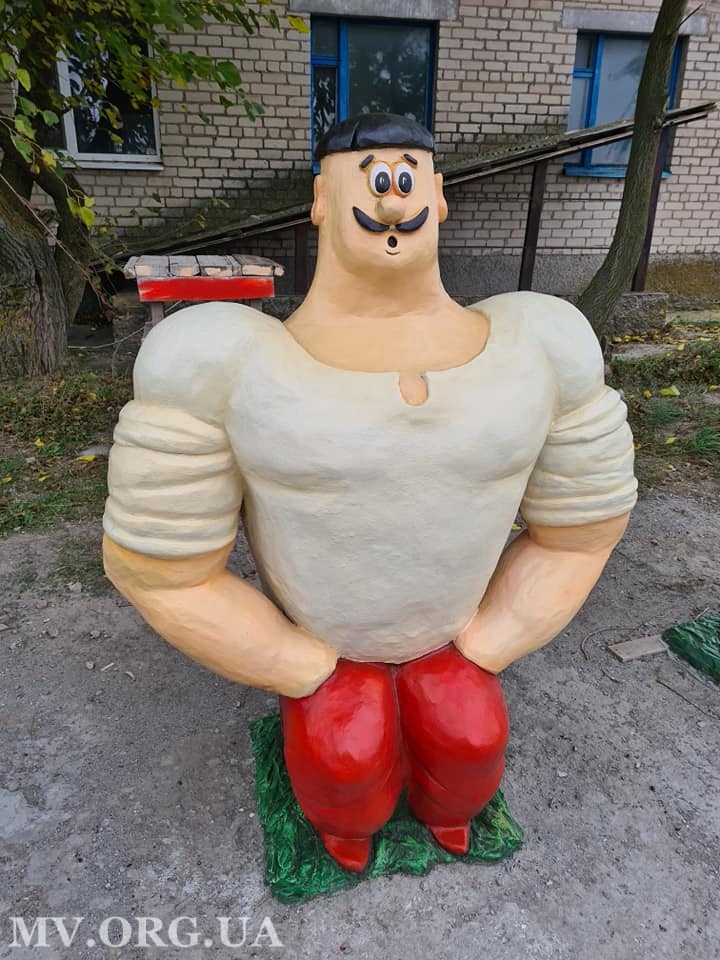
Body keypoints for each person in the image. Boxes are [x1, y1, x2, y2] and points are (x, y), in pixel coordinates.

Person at [103, 113, 637, 873]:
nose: (390, 200)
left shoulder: (542, 345)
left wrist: (491, 639)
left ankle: (438, 799)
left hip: (451, 633)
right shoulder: (218, 360)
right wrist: (296, 663)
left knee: (469, 745)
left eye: (406, 178)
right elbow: (158, 565)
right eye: (372, 179)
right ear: (322, 199)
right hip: (329, 644)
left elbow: (587, 524)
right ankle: (344, 825)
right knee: (344, 765)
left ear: (438, 196)